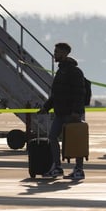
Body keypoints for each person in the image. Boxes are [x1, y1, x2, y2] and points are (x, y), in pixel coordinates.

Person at [37, 42, 87, 180]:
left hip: (72, 114)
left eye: (57, 52)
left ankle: (79, 169)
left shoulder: (75, 72)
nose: (55, 54)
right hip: (60, 113)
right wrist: (46, 108)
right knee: (52, 137)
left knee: (76, 141)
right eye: (55, 51)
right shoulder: (61, 71)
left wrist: (76, 112)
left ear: (65, 53)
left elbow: (80, 93)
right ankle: (57, 167)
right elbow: (56, 94)